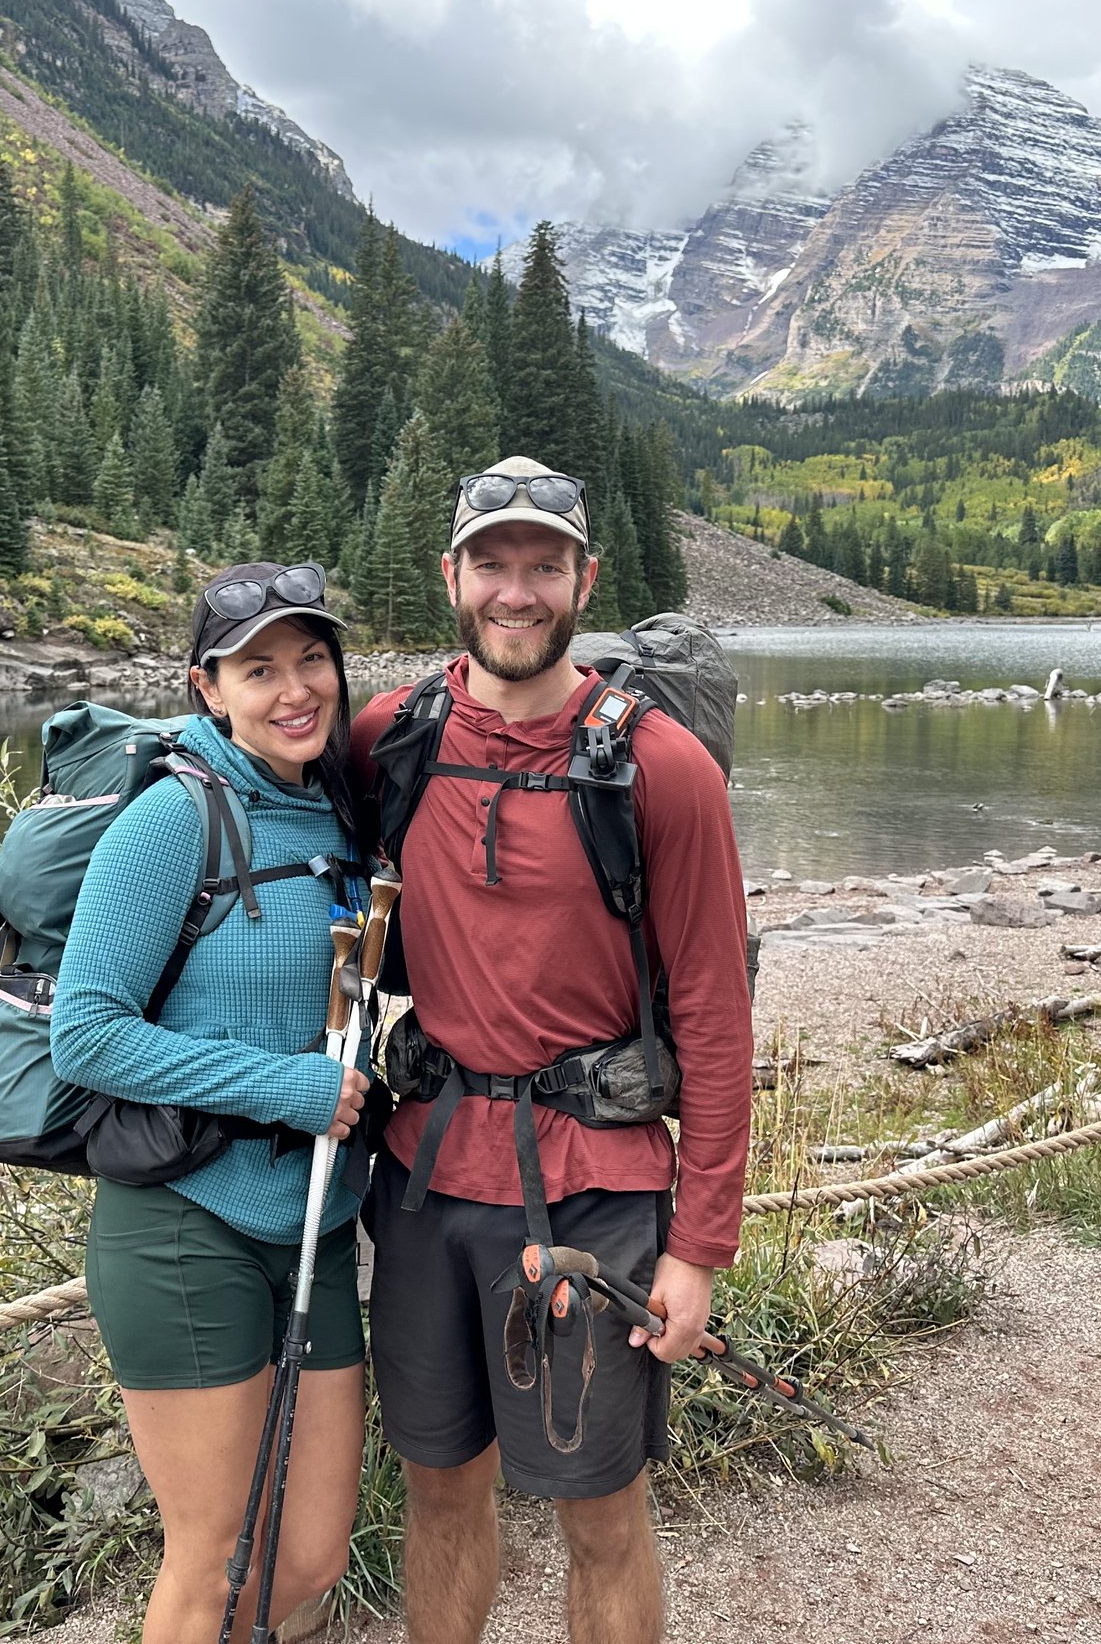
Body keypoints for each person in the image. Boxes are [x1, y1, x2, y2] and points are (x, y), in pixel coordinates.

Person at [352, 457, 752, 1644]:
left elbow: (717, 1024)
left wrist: (699, 1247)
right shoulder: (393, 739)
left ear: (585, 578)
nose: (514, 592)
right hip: (423, 1190)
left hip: (598, 1202)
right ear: (451, 577)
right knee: (435, 1494)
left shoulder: (661, 772)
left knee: (600, 1515)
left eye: (542, 566)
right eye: (491, 564)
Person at [50, 561, 373, 1644]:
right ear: (208, 688)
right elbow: (84, 1032)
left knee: (313, 1552)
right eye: (259, 668)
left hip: (317, 1227)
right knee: (213, 1559)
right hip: (186, 1228)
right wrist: (287, 1087)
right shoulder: (170, 822)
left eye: (310, 659)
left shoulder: (339, 806)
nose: (294, 690)